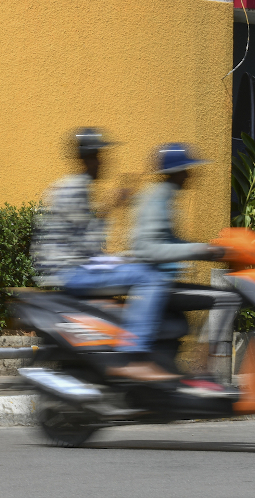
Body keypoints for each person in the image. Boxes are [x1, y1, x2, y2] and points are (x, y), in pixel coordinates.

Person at [32, 129, 178, 382]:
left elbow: (85, 237)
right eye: (99, 156)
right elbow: (88, 244)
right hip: (69, 271)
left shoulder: (73, 186)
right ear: (88, 158)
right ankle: (134, 355)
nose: (103, 162)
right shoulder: (76, 189)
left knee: (132, 267)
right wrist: (113, 206)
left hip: (68, 267)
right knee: (150, 277)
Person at [129, 143, 236, 377]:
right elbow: (147, 249)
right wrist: (200, 250)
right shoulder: (157, 198)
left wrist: (211, 250)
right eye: (187, 169)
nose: (190, 175)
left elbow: (170, 241)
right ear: (177, 171)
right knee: (226, 299)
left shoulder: (165, 196)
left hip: (164, 283)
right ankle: (203, 371)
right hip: (158, 285)